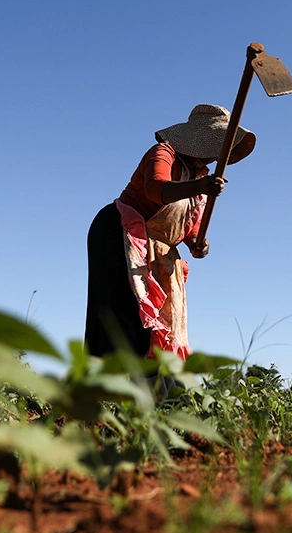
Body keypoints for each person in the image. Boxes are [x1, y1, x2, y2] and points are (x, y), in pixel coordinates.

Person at [84, 104, 255, 360]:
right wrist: (199, 186)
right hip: (120, 232)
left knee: (159, 325)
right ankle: (108, 377)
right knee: (121, 312)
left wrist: (198, 242)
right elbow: (156, 188)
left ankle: (153, 381)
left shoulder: (201, 176)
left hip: (159, 250)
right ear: (197, 139)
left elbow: (190, 227)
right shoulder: (164, 153)